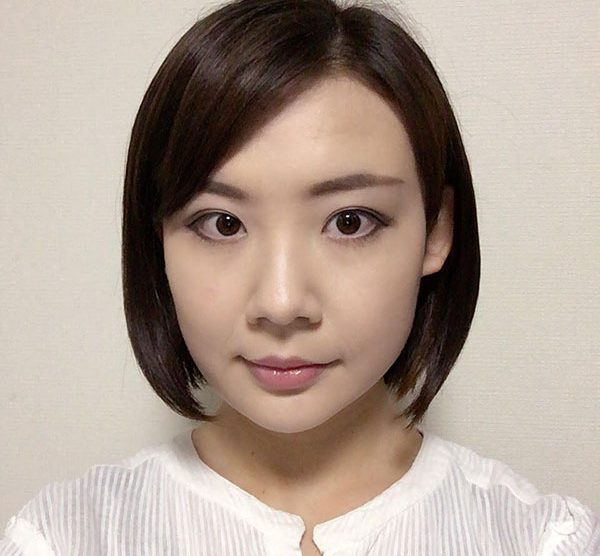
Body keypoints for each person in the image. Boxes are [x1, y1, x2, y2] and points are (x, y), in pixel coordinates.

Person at [1, 0, 598, 554]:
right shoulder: (64, 539)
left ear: (436, 230)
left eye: (349, 221)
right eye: (223, 224)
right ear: (156, 239)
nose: (282, 303)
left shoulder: (541, 542)